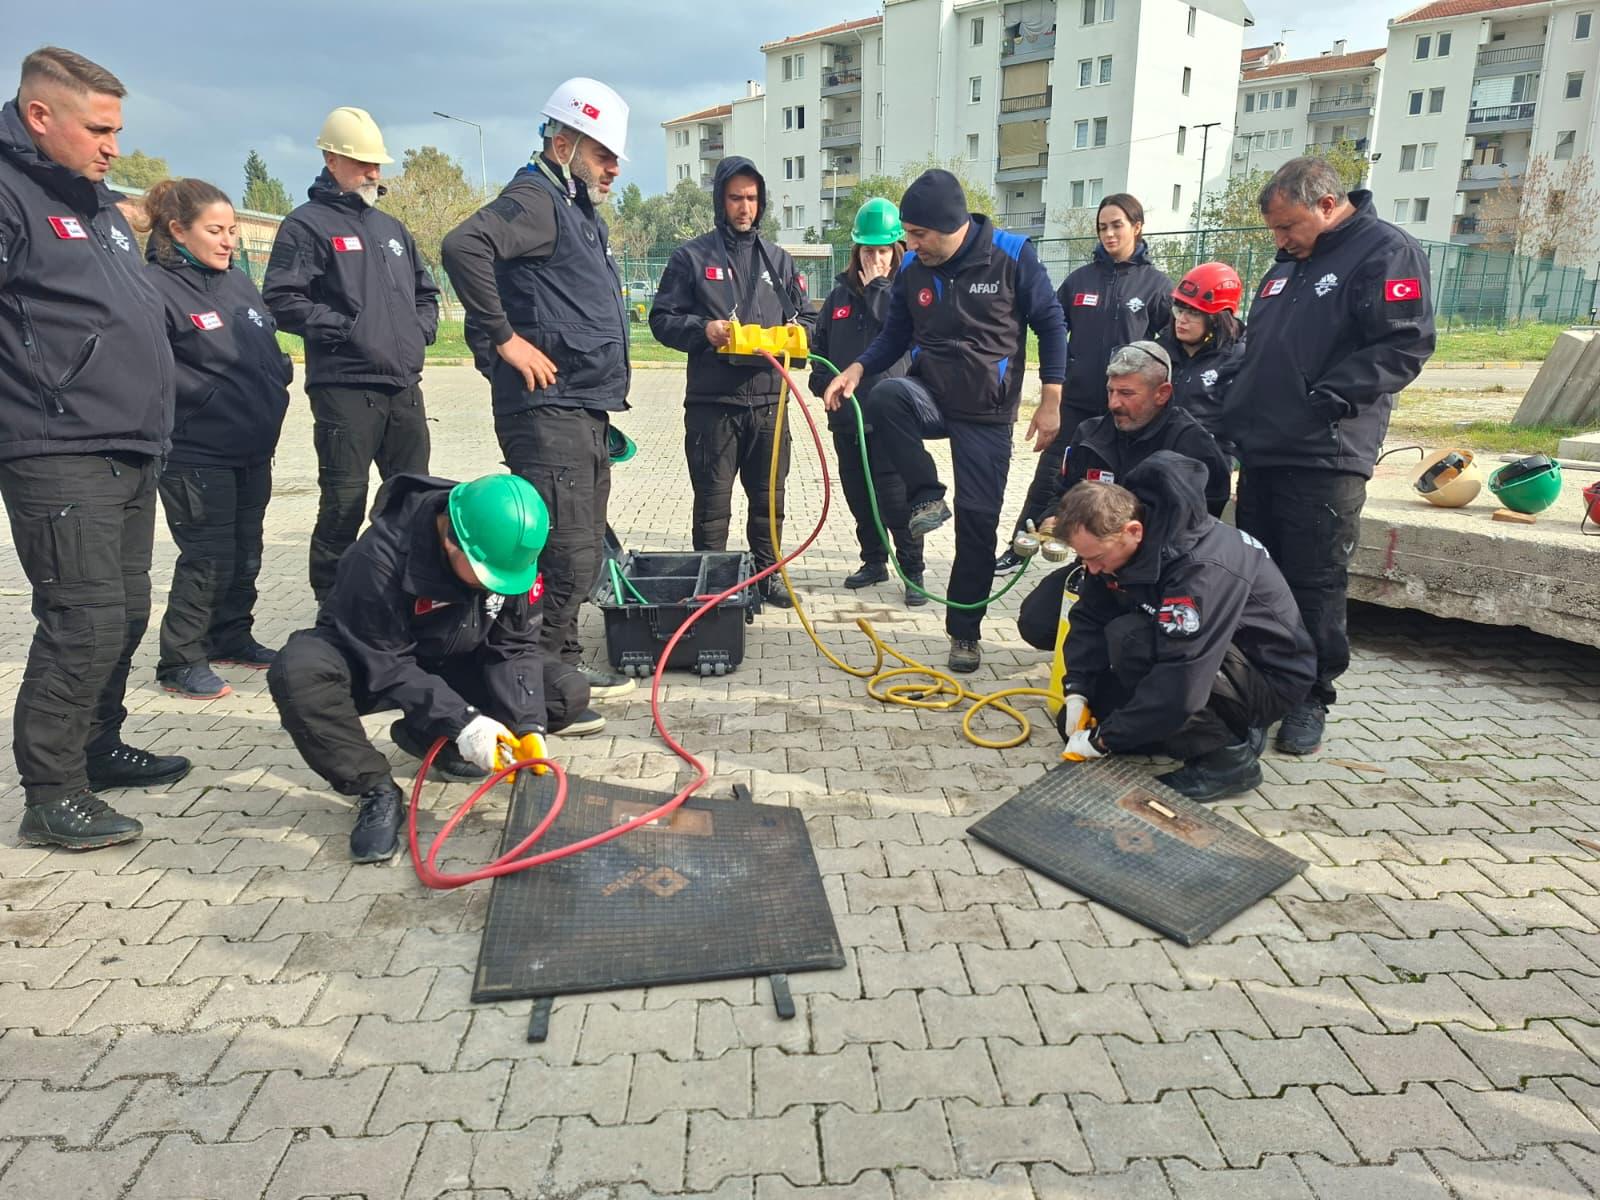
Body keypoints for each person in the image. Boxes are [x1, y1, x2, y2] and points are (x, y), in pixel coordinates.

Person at [0, 47, 192, 850]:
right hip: (56, 447)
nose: (114, 146)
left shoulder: (95, 203)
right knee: (81, 620)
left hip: (129, 445)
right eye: (100, 129)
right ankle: (51, 792)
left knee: (125, 611)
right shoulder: (10, 196)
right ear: (40, 116)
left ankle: (95, 745)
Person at [266, 473, 590, 863]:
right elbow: (388, 663)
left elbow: (515, 647)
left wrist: (528, 725)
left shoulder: (507, 548)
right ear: (450, 541)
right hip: (375, 658)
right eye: (489, 578)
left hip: (454, 657)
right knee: (299, 672)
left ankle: (425, 736)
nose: (497, 589)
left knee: (562, 693)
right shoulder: (377, 559)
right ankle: (376, 789)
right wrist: (465, 721)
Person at [1224, 157, 1434, 755]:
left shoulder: (1384, 251)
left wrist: (1328, 398)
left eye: (1287, 226)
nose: (1280, 240)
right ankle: (1261, 686)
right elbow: (1262, 349)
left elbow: (1405, 342)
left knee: (1314, 581)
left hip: (1326, 449)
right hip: (1265, 446)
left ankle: (1311, 696)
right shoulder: (1288, 262)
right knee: (1260, 575)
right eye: (1275, 231)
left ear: (1324, 204)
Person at [441, 78, 631, 734]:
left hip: (581, 407)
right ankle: (533, 695)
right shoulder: (534, 197)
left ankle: (562, 676)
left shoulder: (574, 207)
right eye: (604, 152)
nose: (612, 166)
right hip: (548, 409)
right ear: (564, 139)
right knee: (565, 554)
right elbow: (464, 247)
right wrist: (504, 340)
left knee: (580, 551)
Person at [822, 169, 1067, 674]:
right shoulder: (915, 269)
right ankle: (927, 494)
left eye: (916, 235)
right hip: (929, 393)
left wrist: (1051, 399)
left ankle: (964, 632)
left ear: (950, 226)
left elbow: (1051, 325)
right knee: (886, 395)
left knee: (977, 526)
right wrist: (856, 367)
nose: (907, 244)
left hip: (988, 412)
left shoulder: (1013, 256)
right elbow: (893, 336)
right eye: (906, 235)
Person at [1054, 453, 1316, 802]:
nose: (1093, 569)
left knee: (1131, 640)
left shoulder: (1201, 568)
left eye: (1096, 558)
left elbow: (1182, 677)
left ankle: (1227, 761)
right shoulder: (1123, 540)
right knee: (1081, 715)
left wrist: (1105, 741)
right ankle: (1206, 730)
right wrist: (1077, 689)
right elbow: (1090, 615)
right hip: (1212, 659)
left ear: (1133, 531)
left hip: (1268, 676)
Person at [263, 106, 440, 602]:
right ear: (331, 158)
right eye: (363, 163)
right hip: (346, 387)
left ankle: (405, 593)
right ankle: (332, 601)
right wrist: (349, 330)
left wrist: (419, 329)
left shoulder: (391, 229)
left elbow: (426, 293)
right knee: (345, 500)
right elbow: (281, 298)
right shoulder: (306, 226)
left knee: (414, 496)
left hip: (403, 387)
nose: (373, 174)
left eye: (377, 164)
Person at [141, 178, 292, 700]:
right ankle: (180, 658)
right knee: (208, 555)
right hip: (196, 450)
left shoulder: (236, 282)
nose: (229, 241)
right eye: (215, 230)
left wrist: (279, 373)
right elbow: (152, 371)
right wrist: (209, 395)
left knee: (246, 550)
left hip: (251, 445)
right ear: (178, 230)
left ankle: (231, 635)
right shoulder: (153, 288)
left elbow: (263, 342)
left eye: (231, 230)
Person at [648, 156, 811, 608]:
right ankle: (713, 581)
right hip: (713, 405)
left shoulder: (778, 260)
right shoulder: (692, 258)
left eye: (753, 198)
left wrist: (801, 334)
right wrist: (704, 331)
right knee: (713, 504)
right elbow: (662, 319)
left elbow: (809, 319)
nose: (745, 207)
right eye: (736, 198)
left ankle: (768, 574)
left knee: (769, 502)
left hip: (769, 406)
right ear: (721, 201)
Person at [1015, 340, 1231, 650]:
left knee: (1128, 639)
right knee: (1037, 622)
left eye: (1127, 394)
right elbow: (1064, 495)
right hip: (1101, 568)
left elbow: (1200, 529)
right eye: (1111, 392)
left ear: (1162, 393)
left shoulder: (1191, 445)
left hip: (1163, 579)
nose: (1114, 403)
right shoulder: (1090, 435)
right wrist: (1057, 521)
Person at [997, 193, 1171, 574]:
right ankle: (1018, 547)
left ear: (1137, 227)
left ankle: (1107, 562)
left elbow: (1170, 348)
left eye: (1117, 226)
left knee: (1117, 489)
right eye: (1103, 227)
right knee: (1049, 477)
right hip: (1076, 403)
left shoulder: (1156, 286)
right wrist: (1051, 396)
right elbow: (1053, 332)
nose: (1109, 234)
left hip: (1125, 411)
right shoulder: (1080, 280)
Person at [806, 197, 924, 606]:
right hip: (846, 419)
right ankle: (874, 560)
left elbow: (896, 331)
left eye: (883, 250)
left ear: (897, 251)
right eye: (868, 250)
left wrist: (878, 286)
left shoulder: (904, 293)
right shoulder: (838, 296)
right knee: (859, 497)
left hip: (889, 418)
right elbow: (818, 348)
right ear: (856, 250)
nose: (875, 258)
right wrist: (821, 384)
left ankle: (914, 571)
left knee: (895, 500)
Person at [1155, 261, 1247, 454]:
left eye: (1193, 313)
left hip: (1208, 461)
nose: (1182, 319)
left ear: (1217, 318)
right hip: (1158, 454)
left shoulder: (1238, 359)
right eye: (1179, 310)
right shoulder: (1160, 351)